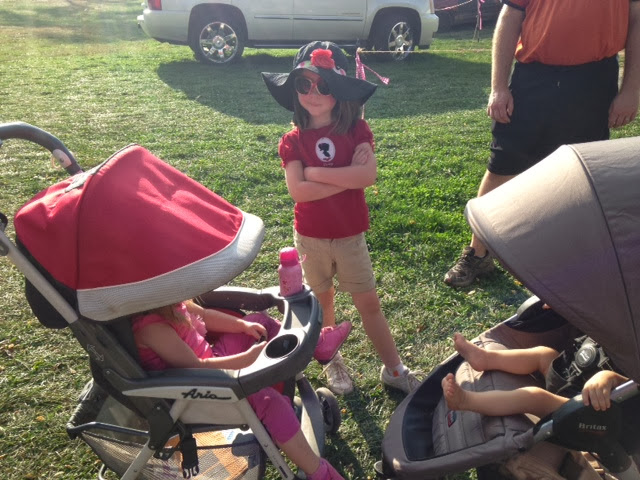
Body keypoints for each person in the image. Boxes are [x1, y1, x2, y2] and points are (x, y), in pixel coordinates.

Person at [261, 41, 421, 395]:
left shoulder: (357, 131)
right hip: (311, 238)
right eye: (304, 84)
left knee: (369, 303)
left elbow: (367, 176)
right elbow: (298, 191)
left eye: (324, 85)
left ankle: (394, 369)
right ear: (294, 89)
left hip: (350, 237)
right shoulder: (292, 140)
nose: (313, 93)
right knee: (322, 303)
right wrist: (346, 177)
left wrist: (315, 173)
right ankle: (333, 361)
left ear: (340, 90)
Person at [444, 0, 640, 287]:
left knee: (580, 176)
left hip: (595, 80)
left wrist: (631, 90)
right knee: (504, 163)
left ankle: (569, 261)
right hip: (534, 76)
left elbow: (637, 21)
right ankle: (479, 253)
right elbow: (510, 17)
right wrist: (498, 88)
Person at [132, 300, 351, 480]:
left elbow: (205, 315)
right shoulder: (152, 329)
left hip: (212, 365)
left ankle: (318, 346)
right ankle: (319, 473)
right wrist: (246, 359)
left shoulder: (171, 304)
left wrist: (241, 326)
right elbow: (197, 368)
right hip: (198, 393)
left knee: (260, 322)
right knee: (270, 402)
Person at [441, 333, 629, 419]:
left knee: (535, 397)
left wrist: (610, 378)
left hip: (586, 408)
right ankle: (486, 359)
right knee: (543, 354)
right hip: (571, 373)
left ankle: (465, 400)